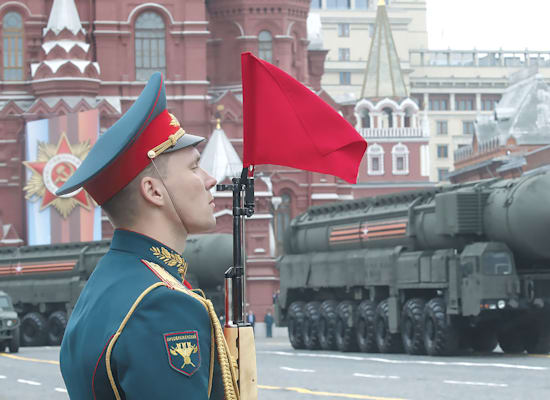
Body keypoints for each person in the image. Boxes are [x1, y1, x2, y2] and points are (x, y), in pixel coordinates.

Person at [57, 73, 238, 399]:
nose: (210, 179)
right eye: (195, 166)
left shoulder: (108, 285)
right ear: (154, 191)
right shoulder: (161, 304)